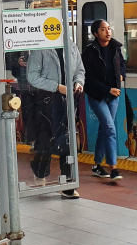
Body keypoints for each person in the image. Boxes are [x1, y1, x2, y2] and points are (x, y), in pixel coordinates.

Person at [26, 46, 85, 198]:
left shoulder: (71, 46)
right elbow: (32, 76)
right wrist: (56, 87)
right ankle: (40, 171)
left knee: (67, 138)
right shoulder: (40, 48)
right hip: (47, 99)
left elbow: (80, 70)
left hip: (68, 99)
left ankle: (67, 184)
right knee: (46, 139)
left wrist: (79, 82)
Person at [82, 20, 126, 182]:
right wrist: (108, 89)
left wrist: (121, 75)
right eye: (103, 29)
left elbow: (122, 64)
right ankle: (113, 168)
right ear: (95, 33)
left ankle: (97, 165)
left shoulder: (115, 47)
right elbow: (89, 79)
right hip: (97, 96)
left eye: (109, 29)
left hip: (113, 96)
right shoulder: (89, 52)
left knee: (105, 129)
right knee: (110, 128)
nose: (108, 32)